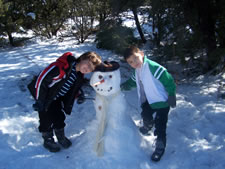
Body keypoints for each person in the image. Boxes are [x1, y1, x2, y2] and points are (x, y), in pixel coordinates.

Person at [27, 51, 102, 152]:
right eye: (88, 64)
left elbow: (72, 89)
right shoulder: (60, 67)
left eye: (91, 69)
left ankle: (60, 136)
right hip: (45, 98)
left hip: (56, 99)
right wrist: (40, 100)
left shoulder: (78, 75)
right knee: (46, 120)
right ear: (82, 58)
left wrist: (79, 95)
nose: (88, 68)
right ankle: (48, 140)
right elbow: (41, 81)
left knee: (59, 117)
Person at [121, 46, 176, 162]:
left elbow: (168, 79)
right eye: (130, 62)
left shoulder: (152, 67)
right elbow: (132, 82)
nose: (134, 63)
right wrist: (121, 87)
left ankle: (160, 147)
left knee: (160, 125)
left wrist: (171, 94)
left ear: (141, 53)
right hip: (148, 100)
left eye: (135, 58)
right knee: (145, 114)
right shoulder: (136, 71)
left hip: (162, 102)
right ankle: (148, 125)